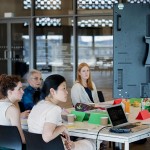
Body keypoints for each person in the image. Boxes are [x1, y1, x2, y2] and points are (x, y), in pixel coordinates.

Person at [28, 74, 96, 150]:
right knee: (93, 142)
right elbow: (46, 137)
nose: (67, 92)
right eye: (63, 88)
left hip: (39, 147)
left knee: (77, 141)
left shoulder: (37, 104)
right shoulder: (54, 109)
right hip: (53, 147)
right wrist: (63, 127)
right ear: (52, 91)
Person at [0, 74, 25, 144]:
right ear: (10, 92)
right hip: (11, 147)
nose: (23, 92)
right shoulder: (12, 109)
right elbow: (21, 139)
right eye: (19, 89)